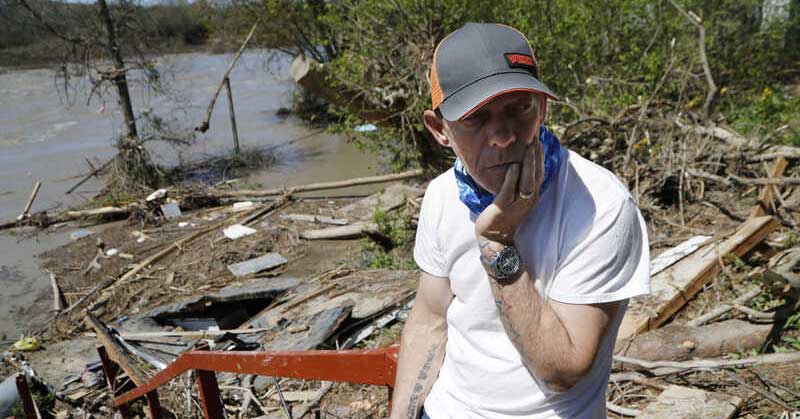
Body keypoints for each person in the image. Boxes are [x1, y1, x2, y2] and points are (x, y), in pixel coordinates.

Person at [388, 22, 651, 419]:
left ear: (542, 108)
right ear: (440, 129)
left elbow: (562, 371)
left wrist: (497, 241)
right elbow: (430, 318)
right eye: (476, 117)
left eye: (518, 108)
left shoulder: (601, 205)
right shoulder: (442, 196)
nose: (502, 135)